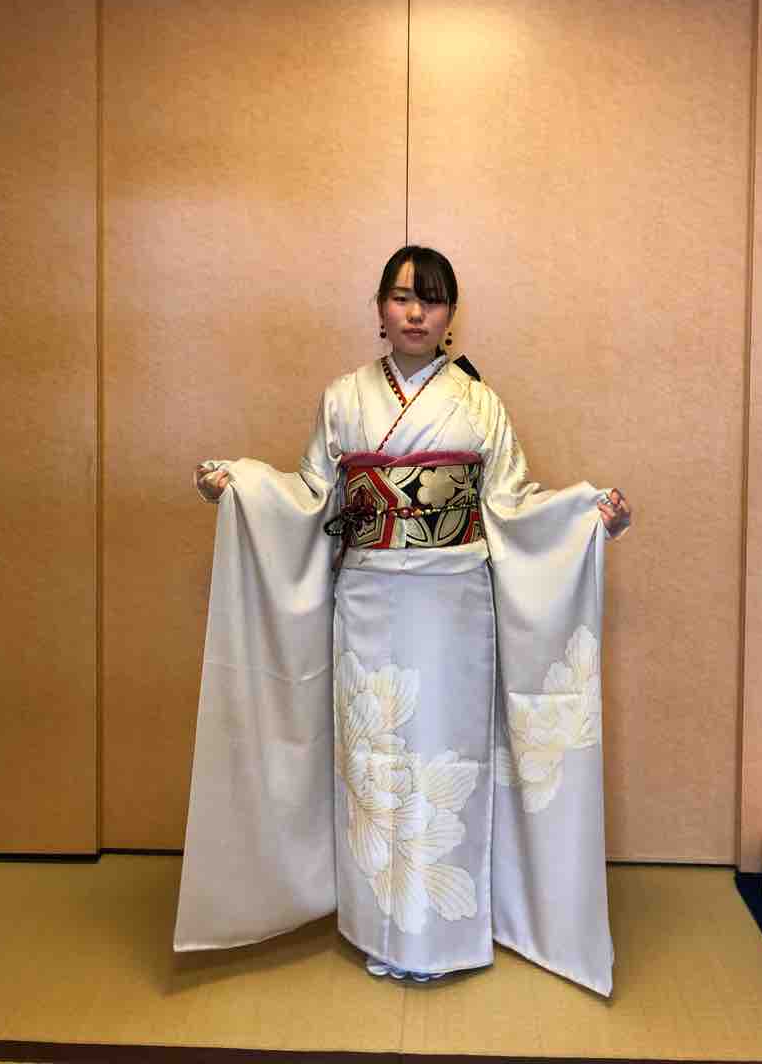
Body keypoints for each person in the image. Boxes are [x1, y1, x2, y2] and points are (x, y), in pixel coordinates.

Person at [174, 245, 631, 995]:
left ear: (451, 315)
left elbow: (512, 506)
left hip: (455, 604)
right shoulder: (343, 398)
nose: (416, 313)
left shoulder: (480, 404)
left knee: (446, 755)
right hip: (367, 597)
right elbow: (313, 497)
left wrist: (587, 517)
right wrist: (244, 488)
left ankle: (444, 930)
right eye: (401, 297)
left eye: (433, 299)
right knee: (373, 759)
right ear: (379, 308)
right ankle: (373, 925)